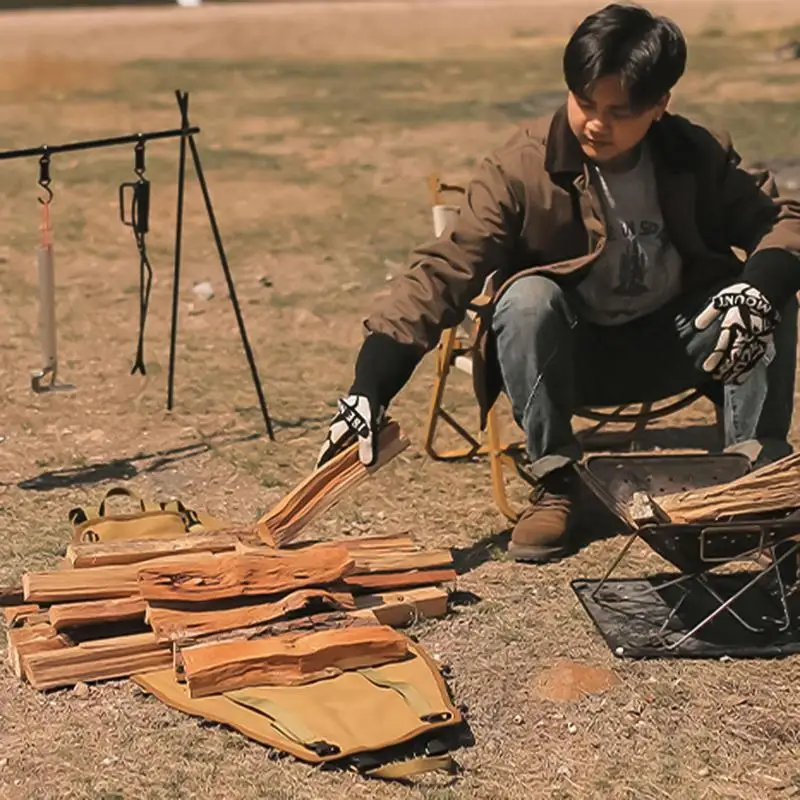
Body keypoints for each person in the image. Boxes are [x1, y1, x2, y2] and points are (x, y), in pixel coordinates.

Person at [316, 2, 800, 563]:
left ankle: (755, 484)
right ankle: (556, 481)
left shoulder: (695, 151)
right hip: (568, 360)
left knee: (768, 295)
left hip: (679, 342)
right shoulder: (521, 167)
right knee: (525, 299)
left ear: (661, 104)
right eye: (584, 102)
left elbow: (782, 220)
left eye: (620, 112)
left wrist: (760, 288)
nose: (596, 123)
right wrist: (368, 389)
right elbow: (443, 272)